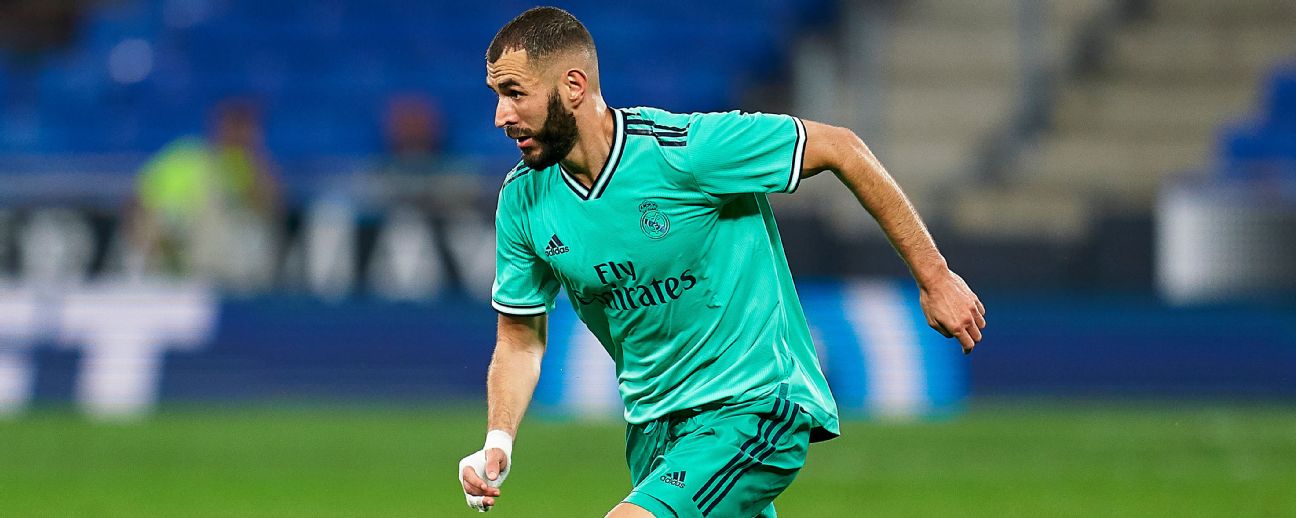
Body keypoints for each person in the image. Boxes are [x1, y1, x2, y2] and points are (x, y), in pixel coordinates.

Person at [459, 7, 986, 517]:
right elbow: (519, 338)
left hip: (753, 405)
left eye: (514, 93)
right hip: (655, 432)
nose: (501, 115)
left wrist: (935, 277)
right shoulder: (523, 200)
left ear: (574, 86)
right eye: (497, 95)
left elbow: (842, 148)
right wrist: (499, 438)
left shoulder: (685, 152)